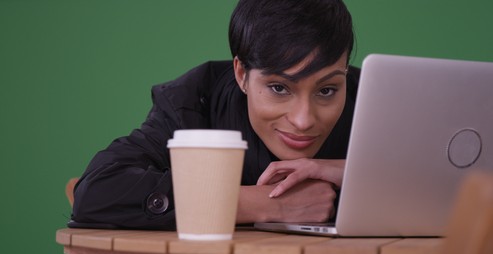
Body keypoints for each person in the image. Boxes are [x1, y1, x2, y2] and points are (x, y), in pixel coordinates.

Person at [71, 0, 360, 230]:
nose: (303, 120)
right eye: (278, 87)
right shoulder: (192, 102)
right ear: (242, 74)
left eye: (327, 90)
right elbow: (97, 192)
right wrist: (261, 204)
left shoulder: (372, 98)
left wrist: (353, 172)